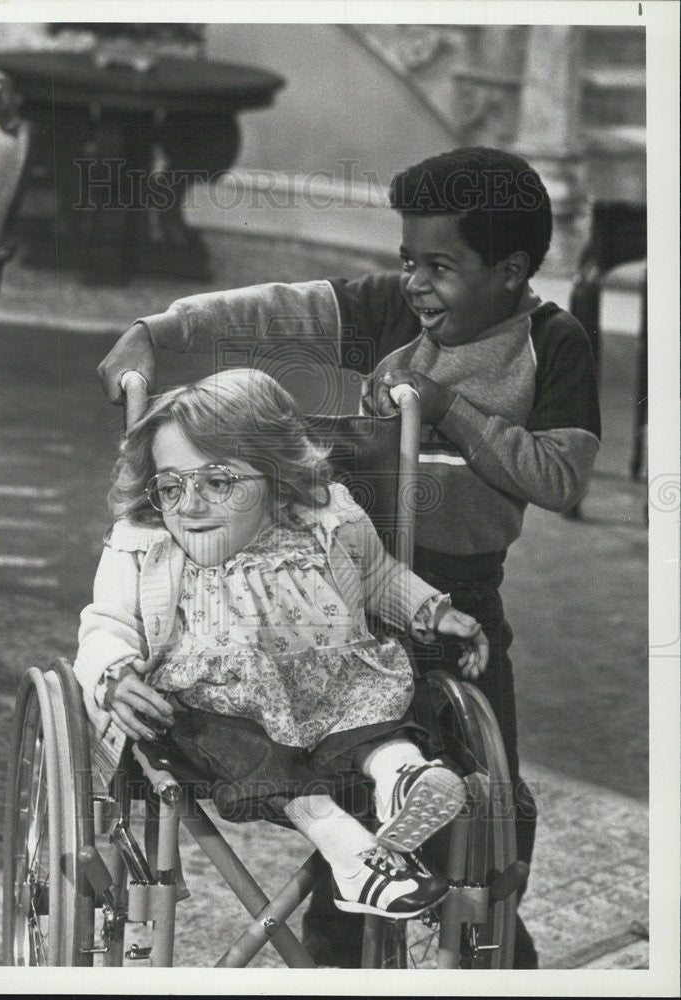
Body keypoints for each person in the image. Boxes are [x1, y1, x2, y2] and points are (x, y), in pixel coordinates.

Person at [95, 146, 601, 967]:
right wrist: (156, 329)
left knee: (494, 800)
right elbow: (270, 312)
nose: (416, 283)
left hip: (460, 592)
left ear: (511, 271)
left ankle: (486, 935)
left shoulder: (555, 342)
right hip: (339, 589)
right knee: (348, 783)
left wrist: (449, 411)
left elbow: (557, 474)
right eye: (408, 260)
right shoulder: (384, 313)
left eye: (441, 265)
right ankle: (342, 941)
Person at [74, 368, 491, 921]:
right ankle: (352, 854)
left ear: (276, 475)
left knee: (385, 706)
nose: (189, 505)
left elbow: (375, 577)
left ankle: (401, 777)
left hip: (329, 690)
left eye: (218, 482)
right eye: (171, 486)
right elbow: (106, 622)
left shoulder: (325, 519)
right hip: (214, 709)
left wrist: (429, 608)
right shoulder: (144, 544)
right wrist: (115, 675)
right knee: (244, 746)